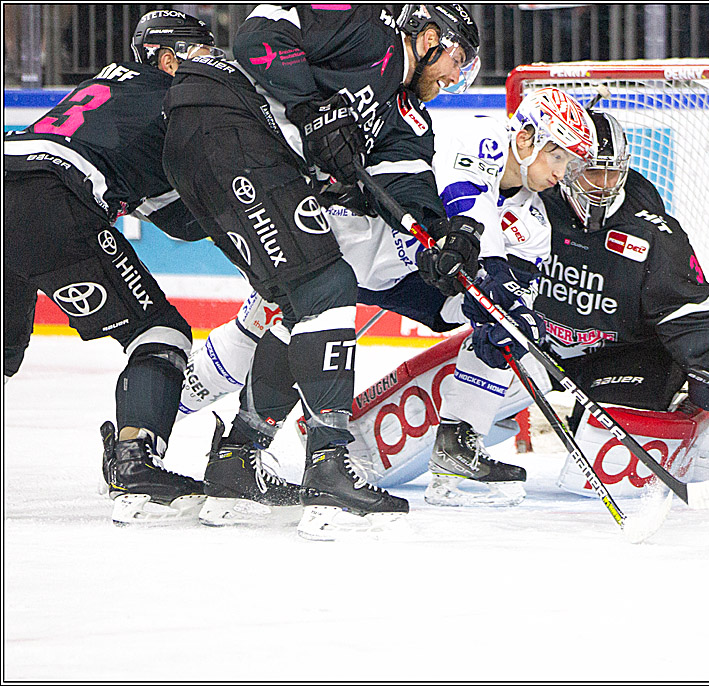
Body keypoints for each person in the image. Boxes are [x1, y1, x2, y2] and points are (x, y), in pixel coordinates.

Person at [176, 85, 596, 510]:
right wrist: (494, 281)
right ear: (526, 137)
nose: (562, 172)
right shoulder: (482, 138)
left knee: (499, 326)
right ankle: (159, 427)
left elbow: (515, 286)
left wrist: (513, 320)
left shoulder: (535, 222)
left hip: (415, 280)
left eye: (570, 162)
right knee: (253, 341)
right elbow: (467, 204)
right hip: (349, 239)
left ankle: (457, 443)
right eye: (557, 156)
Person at [161, 4, 482, 538]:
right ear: (428, 36)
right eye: (457, 58)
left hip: (221, 154)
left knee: (303, 299)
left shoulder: (403, 114)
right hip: (224, 123)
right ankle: (325, 466)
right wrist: (312, 105)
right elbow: (258, 38)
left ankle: (237, 462)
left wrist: (438, 235)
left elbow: (406, 184)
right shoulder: (367, 29)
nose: (456, 75)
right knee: (327, 288)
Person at [3, 10, 223, 524]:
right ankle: (135, 460)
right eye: (203, 53)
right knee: (161, 333)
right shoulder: (177, 100)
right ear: (168, 58)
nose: (213, 64)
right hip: (51, 201)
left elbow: (159, 203)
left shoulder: (111, 84)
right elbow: (185, 221)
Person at [533, 109, 709, 490]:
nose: (603, 184)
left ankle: (708, 421)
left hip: (623, 355)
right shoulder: (531, 203)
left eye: (613, 172)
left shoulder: (651, 232)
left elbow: (688, 310)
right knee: (481, 360)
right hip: (540, 346)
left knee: (603, 456)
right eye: (592, 171)